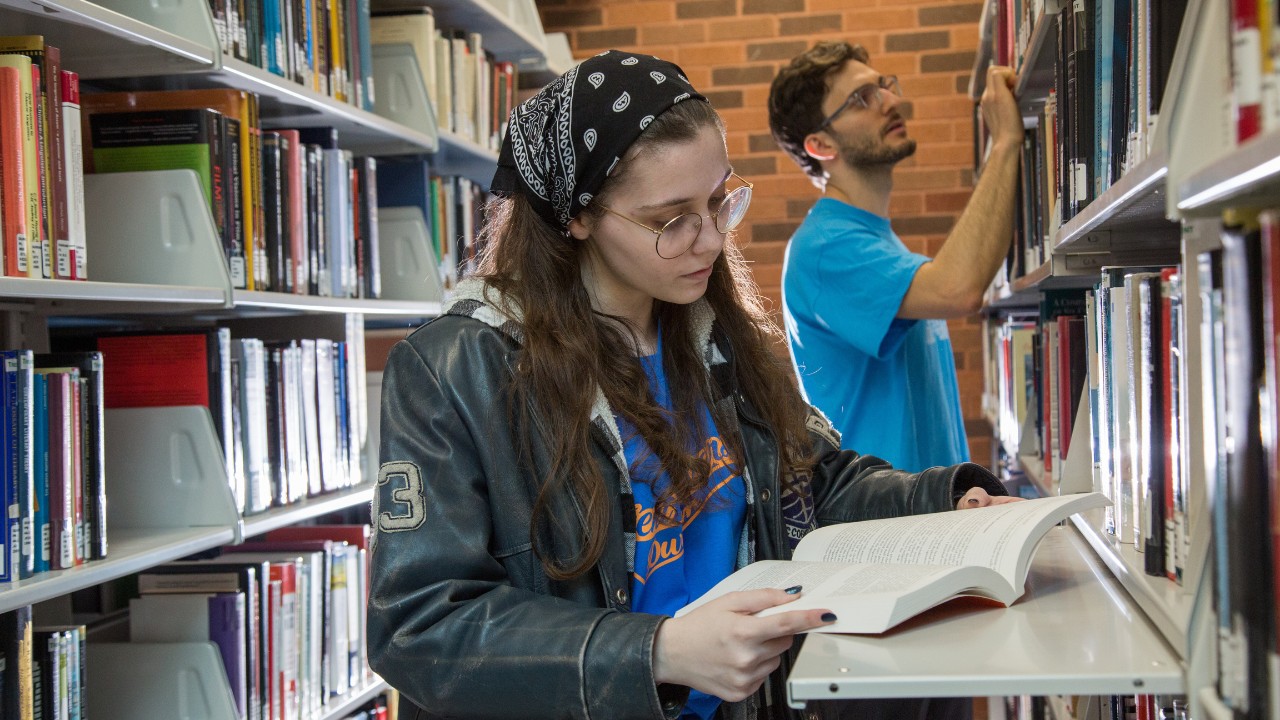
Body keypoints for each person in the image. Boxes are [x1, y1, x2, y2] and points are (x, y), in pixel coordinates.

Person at [367, 49, 1015, 720]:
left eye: (718, 202)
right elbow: (419, 626)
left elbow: (812, 481)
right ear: (579, 216)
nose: (709, 242)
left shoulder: (714, 331)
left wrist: (945, 499)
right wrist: (657, 652)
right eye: (671, 220)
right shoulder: (455, 368)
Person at [767, 42, 1023, 473]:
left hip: (923, 520)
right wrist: (1006, 142)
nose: (890, 102)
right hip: (885, 531)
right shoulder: (827, 247)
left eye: (883, 87)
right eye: (861, 99)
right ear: (821, 144)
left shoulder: (877, 241)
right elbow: (958, 288)